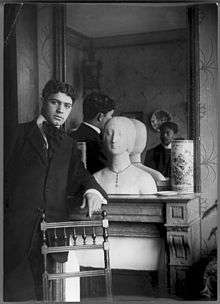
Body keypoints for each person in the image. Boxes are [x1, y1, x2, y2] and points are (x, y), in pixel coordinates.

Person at [4, 79, 108, 301]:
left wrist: (92, 191)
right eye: (55, 102)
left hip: (53, 232)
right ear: (43, 101)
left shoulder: (68, 143)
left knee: (48, 294)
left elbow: (80, 173)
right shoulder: (16, 134)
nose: (61, 110)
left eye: (67, 105)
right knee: (14, 295)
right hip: (15, 232)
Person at [93, 116, 157, 194]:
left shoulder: (145, 179)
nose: (114, 139)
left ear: (129, 138)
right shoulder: (96, 178)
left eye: (120, 134)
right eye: (109, 133)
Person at [71, 92, 115, 174]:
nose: (111, 119)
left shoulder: (71, 135)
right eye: (110, 115)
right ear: (100, 117)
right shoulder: (98, 142)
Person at [129, 119, 169, 190]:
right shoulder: (151, 152)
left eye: (167, 133)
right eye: (162, 133)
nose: (164, 136)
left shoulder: (156, 176)